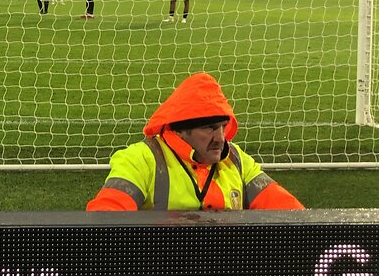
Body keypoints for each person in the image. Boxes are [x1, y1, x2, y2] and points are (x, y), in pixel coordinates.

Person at [86, 72, 304, 211]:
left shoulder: (237, 159)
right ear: (181, 130)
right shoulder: (141, 159)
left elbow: (286, 208)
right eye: (209, 128)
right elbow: (106, 218)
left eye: (222, 126)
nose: (220, 137)